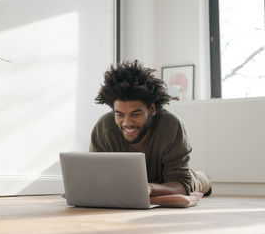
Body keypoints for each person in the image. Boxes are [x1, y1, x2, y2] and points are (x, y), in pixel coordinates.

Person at [90, 60, 211, 198]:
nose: (127, 123)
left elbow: (181, 185)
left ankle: (202, 177)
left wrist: (149, 188)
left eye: (135, 114)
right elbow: (96, 179)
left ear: (152, 109)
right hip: (128, 186)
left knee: (195, 181)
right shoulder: (104, 128)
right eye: (120, 114)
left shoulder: (170, 125)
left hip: (167, 180)